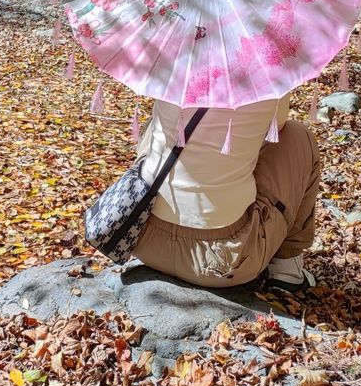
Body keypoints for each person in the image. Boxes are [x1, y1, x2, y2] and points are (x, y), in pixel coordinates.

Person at [132, 95, 320, 291]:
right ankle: (286, 270)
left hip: (141, 238)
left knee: (158, 124)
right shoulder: (267, 78)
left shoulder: (176, 70)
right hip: (222, 264)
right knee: (297, 135)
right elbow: (277, 130)